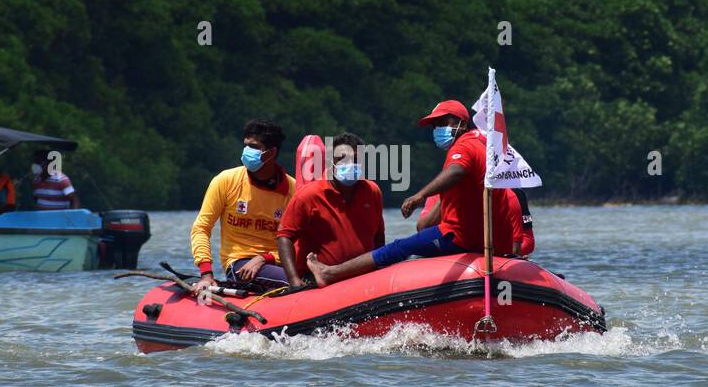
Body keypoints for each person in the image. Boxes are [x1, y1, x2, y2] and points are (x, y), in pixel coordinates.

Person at [308, 100, 514, 287]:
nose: (436, 130)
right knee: (418, 246)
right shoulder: (485, 144)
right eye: (434, 126)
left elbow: (456, 171)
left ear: (458, 122)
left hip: (460, 237)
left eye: (441, 123)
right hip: (493, 241)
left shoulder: (463, 146)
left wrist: (420, 196)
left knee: (398, 248)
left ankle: (330, 273)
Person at [191, 119, 295, 292]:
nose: (247, 151)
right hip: (240, 264)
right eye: (246, 145)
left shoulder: (293, 190)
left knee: (310, 280)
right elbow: (201, 228)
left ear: (271, 153)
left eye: (254, 147)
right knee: (296, 283)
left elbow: (297, 242)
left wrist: (265, 258)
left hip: (277, 261)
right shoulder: (225, 181)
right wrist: (206, 274)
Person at [276, 132, 384, 288]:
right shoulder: (308, 195)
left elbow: (379, 237)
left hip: (363, 276)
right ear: (330, 162)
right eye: (342, 159)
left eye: (355, 159)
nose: (349, 163)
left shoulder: (372, 191)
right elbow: (284, 237)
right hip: (318, 280)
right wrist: (293, 280)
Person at [418, 188, 534, 256]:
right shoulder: (439, 192)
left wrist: (503, 254)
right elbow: (422, 230)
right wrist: (447, 194)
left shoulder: (512, 195)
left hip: (496, 257)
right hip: (450, 257)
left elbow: (527, 241)